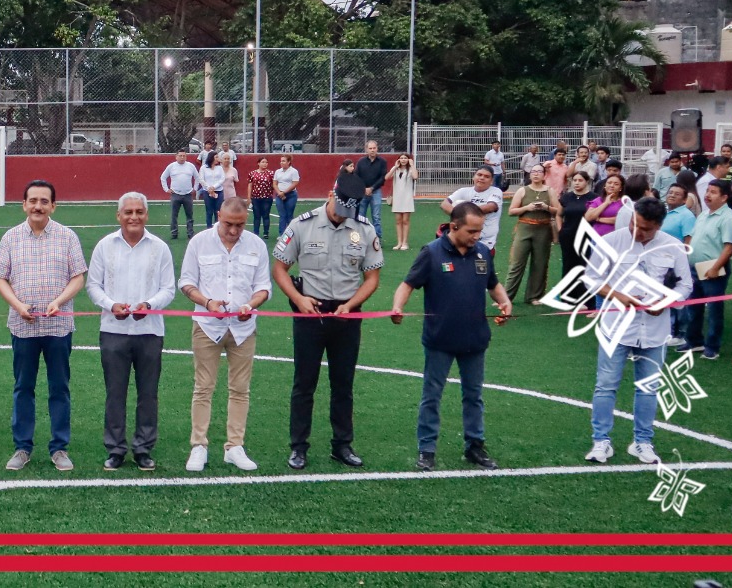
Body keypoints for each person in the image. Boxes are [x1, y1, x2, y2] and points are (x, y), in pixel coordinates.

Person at [54, 192, 174, 472]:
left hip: (150, 331)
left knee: (148, 393)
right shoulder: (105, 246)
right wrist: (111, 305)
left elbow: (169, 288)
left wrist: (149, 305)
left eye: (139, 212)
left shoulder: (159, 248)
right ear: (118, 215)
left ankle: (143, 448)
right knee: (115, 393)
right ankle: (116, 449)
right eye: (128, 212)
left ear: (146, 215)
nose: (134, 217)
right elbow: (93, 285)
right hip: (113, 331)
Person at [271, 173, 384, 470]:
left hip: (347, 314)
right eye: (339, 209)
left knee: (343, 384)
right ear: (331, 194)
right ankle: (298, 447)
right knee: (304, 383)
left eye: (348, 213)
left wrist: (351, 304)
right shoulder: (302, 225)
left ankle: (342, 445)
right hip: (310, 312)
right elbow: (280, 269)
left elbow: (372, 277)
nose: (342, 216)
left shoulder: (363, 229)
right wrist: (299, 299)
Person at [390, 201, 513, 471]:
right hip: (440, 340)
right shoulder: (431, 253)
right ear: (454, 227)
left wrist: (505, 302)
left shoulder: (482, 252)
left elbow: (493, 284)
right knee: (432, 395)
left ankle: (475, 446)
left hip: (475, 339)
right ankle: (427, 449)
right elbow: (407, 285)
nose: (477, 236)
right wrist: (397, 307)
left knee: (474, 396)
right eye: (472, 231)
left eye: (480, 231)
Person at [583, 198, 692, 466]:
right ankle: (601, 441)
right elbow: (592, 279)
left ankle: (642, 442)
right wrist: (617, 295)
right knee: (605, 386)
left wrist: (666, 302)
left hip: (655, 330)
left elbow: (685, 285)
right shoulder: (611, 241)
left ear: (658, 226)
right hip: (616, 327)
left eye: (645, 228)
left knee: (649, 388)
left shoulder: (673, 246)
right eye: (634, 224)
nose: (637, 231)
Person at [0, 180, 87, 472]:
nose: (38, 206)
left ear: (53, 206)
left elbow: (78, 277)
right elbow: (0, 278)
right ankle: (22, 447)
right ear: (24, 204)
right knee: (23, 387)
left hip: (58, 328)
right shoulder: (10, 237)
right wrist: (17, 305)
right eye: (33, 200)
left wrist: (59, 301)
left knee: (59, 387)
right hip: (23, 328)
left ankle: (59, 448)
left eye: (44, 201)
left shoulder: (67, 236)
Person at [180, 197, 271, 472]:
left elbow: (263, 286)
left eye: (240, 225)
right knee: (203, 387)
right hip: (207, 325)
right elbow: (186, 282)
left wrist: (250, 305)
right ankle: (199, 446)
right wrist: (207, 302)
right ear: (218, 215)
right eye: (229, 224)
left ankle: (235, 447)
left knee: (240, 389)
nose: (233, 230)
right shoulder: (199, 242)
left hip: (243, 328)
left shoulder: (256, 245)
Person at [679, 180, 732, 359]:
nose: (707, 195)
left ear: (724, 197)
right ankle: (694, 341)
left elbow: (729, 246)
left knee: (714, 309)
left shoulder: (728, 217)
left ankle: (712, 347)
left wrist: (715, 268)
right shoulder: (704, 214)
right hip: (695, 268)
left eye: (713, 192)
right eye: (707, 191)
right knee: (693, 307)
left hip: (713, 269)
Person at [504, 165, 559, 304]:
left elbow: (558, 211)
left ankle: (534, 296)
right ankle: (506, 297)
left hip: (543, 230)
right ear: (530, 175)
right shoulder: (523, 190)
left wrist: (546, 207)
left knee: (540, 263)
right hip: (524, 228)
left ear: (544, 175)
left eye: (539, 171)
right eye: (533, 171)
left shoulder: (550, 191)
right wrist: (527, 208)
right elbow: (511, 211)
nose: (536, 174)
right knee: (517, 263)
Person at [441, 168, 504, 257]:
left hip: (485, 243)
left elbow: (491, 207)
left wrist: (464, 214)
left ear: (491, 181)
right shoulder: (463, 191)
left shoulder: (496, 191)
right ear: (473, 177)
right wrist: (459, 215)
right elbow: (444, 204)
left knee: (481, 266)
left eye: (486, 176)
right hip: (463, 240)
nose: (482, 178)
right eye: (479, 175)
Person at [556, 172, 595, 280]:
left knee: (584, 264)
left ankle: (584, 290)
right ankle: (567, 289)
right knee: (568, 264)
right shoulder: (566, 197)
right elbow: (559, 215)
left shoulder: (594, 198)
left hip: (586, 237)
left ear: (587, 182)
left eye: (580, 180)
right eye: (575, 180)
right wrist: (560, 230)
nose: (577, 183)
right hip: (568, 236)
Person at [160, 150, 201, 240]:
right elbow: (163, 177)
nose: (182, 157)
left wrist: (195, 188)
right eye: (180, 156)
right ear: (176, 157)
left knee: (189, 216)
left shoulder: (190, 166)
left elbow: (197, 178)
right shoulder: (171, 166)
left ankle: (190, 233)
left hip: (188, 195)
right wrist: (166, 189)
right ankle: (174, 233)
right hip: (175, 194)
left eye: (184, 156)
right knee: (174, 216)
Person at [355, 141, 389, 246]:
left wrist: (372, 188)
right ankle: (360, 239)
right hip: (362, 192)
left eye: (374, 148)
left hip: (376, 192)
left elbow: (382, 178)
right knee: (361, 216)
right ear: (366, 149)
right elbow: (356, 176)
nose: (372, 150)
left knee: (376, 217)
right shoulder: (361, 162)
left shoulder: (382, 162)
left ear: (377, 148)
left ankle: (377, 239)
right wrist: (364, 189)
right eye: (370, 148)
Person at [390, 153, 418, 251]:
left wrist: (412, 165)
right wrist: (395, 167)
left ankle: (405, 242)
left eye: (405, 158)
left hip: (407, 198)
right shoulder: (395, 169)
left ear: (408, 159)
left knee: (405, 221)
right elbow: (387, 177)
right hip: (397, 198)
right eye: (401, 158)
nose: (403, 160)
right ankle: (399, 242)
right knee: (398, 221)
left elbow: (415, 176)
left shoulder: (410, 169)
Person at [273, 154, 302, 236]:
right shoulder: (278, 171)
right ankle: (281, 234)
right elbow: (274, 183)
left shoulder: (294, 171)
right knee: (282, 215)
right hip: (279, 195)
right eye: (281, 161)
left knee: (289, 215)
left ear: (289, 162)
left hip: (291, 195)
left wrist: (284, 192)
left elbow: (295, 183)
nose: (281, 162)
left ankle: (291, 234)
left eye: (283, 161)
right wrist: (279, 193)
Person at [248, 157, 276, 237]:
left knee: (266, 215)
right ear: (258, 163)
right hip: (255, 198)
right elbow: (250, 185)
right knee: (256, 216)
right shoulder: (252, 173)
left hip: (267, 197)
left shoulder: (271, 173)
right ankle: (256, 232)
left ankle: (266, 232)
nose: (265, 164)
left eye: (266, 162)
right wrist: (249, 197)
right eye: (263, 162)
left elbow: (274, 184)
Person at [198, 154, 227, 230]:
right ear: (211, 158)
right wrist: (209, 187)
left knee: (218, 211)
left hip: (219, 191)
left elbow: (222, 178)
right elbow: (201, 179)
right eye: (216, 157)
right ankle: (209, 229)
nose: (218, 159)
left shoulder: (220, 168)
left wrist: (214, 187)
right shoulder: (203, 168)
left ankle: (218, 229)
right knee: (209, 211)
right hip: (207, 192)